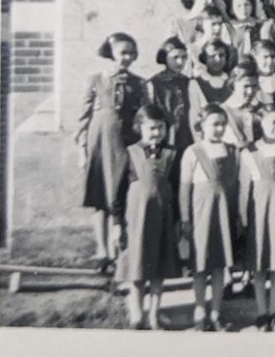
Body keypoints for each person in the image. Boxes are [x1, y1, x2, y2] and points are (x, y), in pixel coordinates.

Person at [75, 32, 148, 274]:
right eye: (121, 53)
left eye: (130, 53)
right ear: (111, 54)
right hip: (100, 141)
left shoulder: (138, 83)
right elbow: (83, 117)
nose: (126, 58)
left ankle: (121, 253)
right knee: (100, 196)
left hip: (127, 142)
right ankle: (102, 251)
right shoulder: (96, 79)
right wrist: (82, 150)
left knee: (122, 193)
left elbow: (144, 115)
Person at [112, 104, 179, 330]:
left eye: (161, 128)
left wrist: (178, 222)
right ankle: (136, 316)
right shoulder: (129, 153)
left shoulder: (171, 154)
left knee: (159, 271)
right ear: (140, 127)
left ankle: (154, 315)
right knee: (137, 269)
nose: (157, 133)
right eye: (152, 128)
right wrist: (116, 223)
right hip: (137, 221)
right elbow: (118, 193)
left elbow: (176, 189)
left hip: (163, 219)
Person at [179, 104, 239, 331]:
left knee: (219, 266)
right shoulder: (192, 152)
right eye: (214, 124)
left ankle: (216, 312)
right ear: (201, 126)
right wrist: (185, 217)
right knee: (201, 264)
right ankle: (199, 310)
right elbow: (185, 188)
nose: (219, 129)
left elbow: (234, 185)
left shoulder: (231, 151)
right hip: (201, 213)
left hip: (223, 213)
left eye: (223, 124)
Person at [238, 105, 275, 331]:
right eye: (273, 122)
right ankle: (261, 313)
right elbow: (244, 188)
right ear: (261, 123)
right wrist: (243, 217)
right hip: (258, 213)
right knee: (259, 265)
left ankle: (274, 311)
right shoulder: (249, 151)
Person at [148, 37, 192, 188]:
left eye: (183, 57)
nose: (180, 62)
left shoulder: (189, 82)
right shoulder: (155, 83)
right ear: (165, 59)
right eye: (175, 58)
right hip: (166, 137)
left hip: (187, 136)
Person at [187, 40, 234, 139]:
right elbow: (194, 115)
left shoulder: (232, 81)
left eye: (221, 55)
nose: (217, 59)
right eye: (212, 56)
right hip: (208, 137)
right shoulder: (197, 83)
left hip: (232, 136)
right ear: (205, 58)